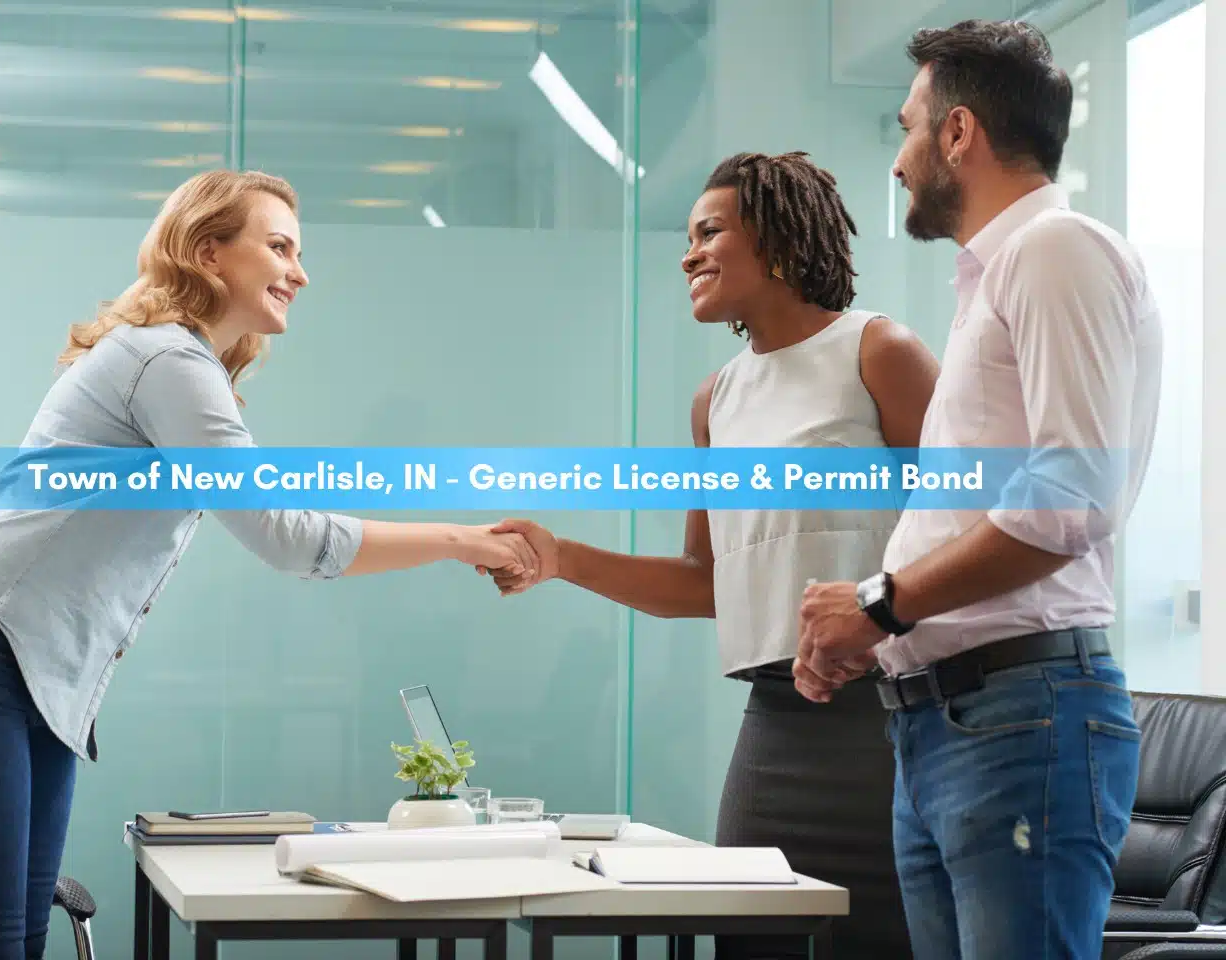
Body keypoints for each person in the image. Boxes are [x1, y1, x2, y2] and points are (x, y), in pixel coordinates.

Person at [0, 169, 538, 960]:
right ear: (208, 253)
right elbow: (283, 535)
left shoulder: (183, 369)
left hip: (31, 675)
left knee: (17, 941)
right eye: (279, 246)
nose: (301, 271)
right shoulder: (167, 362)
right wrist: (461, 541)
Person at [484, 151, 940, 958]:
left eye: (709, 232)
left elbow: (962, 525)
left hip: (892, 728)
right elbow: (706, 584)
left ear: (776, 239)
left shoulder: (879, 350)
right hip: (775, 730)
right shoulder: (715, 399)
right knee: (748, 941)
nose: (688, 253)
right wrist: (562, 557)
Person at [793, 19, 1163, 960]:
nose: (898, 163)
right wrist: (879, 636)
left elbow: (1067, 503)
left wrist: (879, 605)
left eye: (908, 129)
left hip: (1020, 717)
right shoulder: (994, 279)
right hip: (957, 721)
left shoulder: (1054, 250)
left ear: (959, 133)